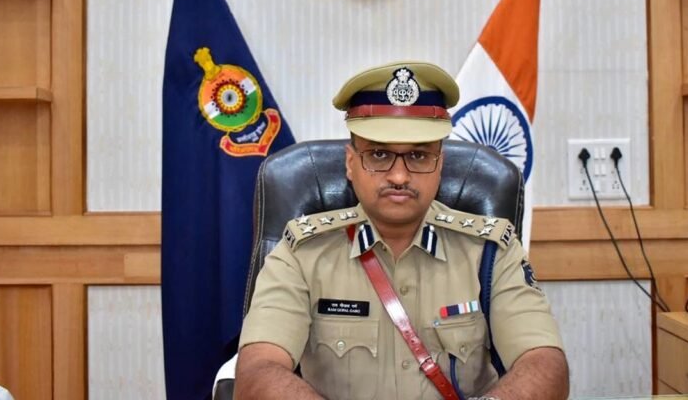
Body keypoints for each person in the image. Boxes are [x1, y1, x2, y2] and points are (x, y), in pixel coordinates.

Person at [234, 61, 569, 400]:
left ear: (440, 164)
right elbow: (258, 372)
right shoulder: (302, 253)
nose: (398, 176)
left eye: (419, 156)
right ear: (351, 164)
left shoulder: (491, 251)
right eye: (379, 154)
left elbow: (544, 364)